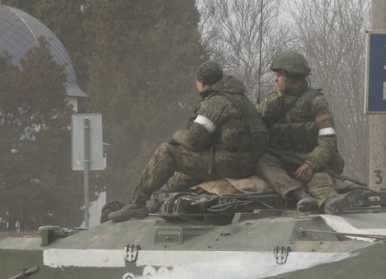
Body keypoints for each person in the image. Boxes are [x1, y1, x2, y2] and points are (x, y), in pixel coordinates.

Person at [108, 61, 267, 221]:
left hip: (230, 164)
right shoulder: (239, 99)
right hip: (246, 162)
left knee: (167, 152)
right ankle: (157, 201)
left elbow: (195, 140)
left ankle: (137, 204)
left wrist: (176, 136)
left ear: (201, 83)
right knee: (183, 174)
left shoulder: (216, 103)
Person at [256, 51, 356, 214]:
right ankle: (299, 195)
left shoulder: (317, 103)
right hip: (281, 162)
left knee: (320, 178)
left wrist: (311, 164)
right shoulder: (271, 103)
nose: (275, 79)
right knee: (262, 162)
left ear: (292, 79)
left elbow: (328, 141)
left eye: (279, 75)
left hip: (310, 161)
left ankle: (330, 201)